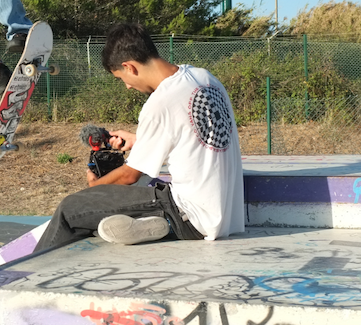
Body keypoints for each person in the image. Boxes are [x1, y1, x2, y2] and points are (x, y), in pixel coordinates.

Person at [33, 23, 244, 252]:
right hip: (225, 217)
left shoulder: (159, 103)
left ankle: (26, 278)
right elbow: (194, 132)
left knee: (72, 208)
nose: (127, 86)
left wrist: (94, 188)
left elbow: (129, 177)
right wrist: (138, 139)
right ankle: (151, 225)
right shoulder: (204, 78)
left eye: (121, 77)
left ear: (129, 67)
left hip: (188, 215)